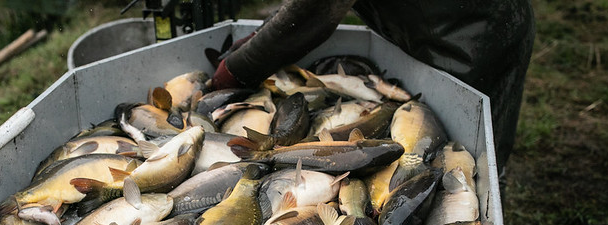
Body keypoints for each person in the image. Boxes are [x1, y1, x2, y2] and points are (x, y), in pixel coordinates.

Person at [211, 0, 536, 174]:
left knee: (467, 154)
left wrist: (238, 70)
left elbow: (315, 10)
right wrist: (261, 37)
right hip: (435, 31)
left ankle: (489, 211)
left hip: (476, 36)